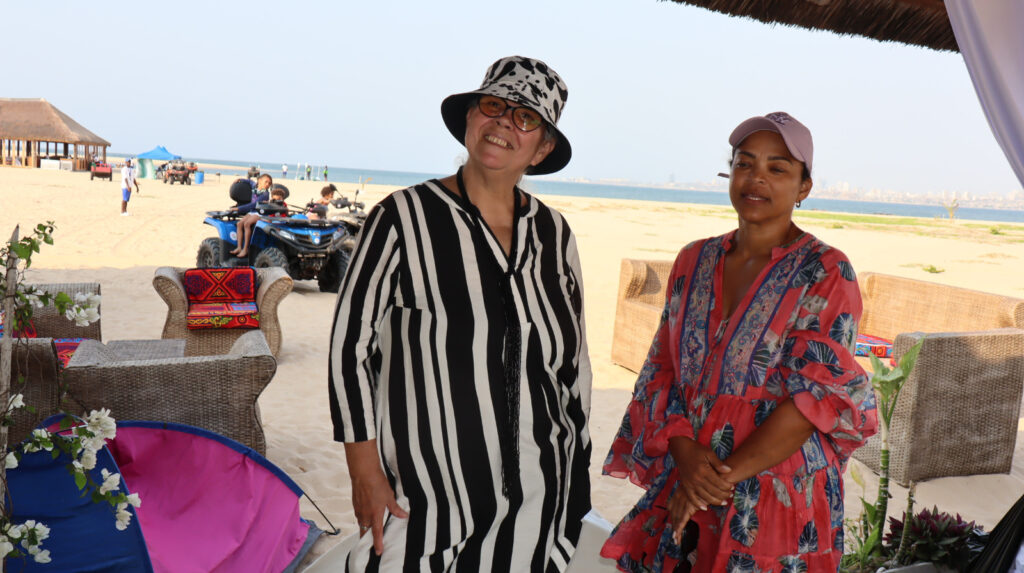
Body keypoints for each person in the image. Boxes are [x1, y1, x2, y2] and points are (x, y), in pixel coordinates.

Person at [328, 55, 592, 571]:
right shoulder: (401, 218)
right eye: (493, 106)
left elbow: (573, 364)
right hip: (425, 498)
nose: (504, 123)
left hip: (539, 492)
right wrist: (363, 470)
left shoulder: (554, 234)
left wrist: (577, 472)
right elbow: (349, 348)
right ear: (471, 117)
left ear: (542, 148)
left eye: (526, 118)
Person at [601, 112, 878, 572]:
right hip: (689, 474)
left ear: (804, 187)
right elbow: (661, 370)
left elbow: (813, 400)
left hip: (775, 496)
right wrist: (686, 457)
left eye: (777, 168)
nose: (756, 178)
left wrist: (708, 483)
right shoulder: (694, 259)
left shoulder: (827, 271)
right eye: (744, 163)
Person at [228, 173, 273, 257]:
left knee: (247, 224)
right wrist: (240, 179)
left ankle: (245, 249)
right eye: (266, 182)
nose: (267, 184)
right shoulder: (254, 186)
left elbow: (253, 205)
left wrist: (239, 208)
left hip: (260, 212)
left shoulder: (265, 194)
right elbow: (249, 181)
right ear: (259, 181)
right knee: (239, 224)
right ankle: (239, 247)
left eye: (269, 183)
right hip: (252, 211)